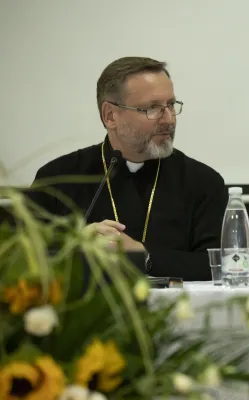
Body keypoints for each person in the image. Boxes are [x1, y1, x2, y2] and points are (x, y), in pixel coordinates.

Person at [27, 56, 227, 281]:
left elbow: (218, 264)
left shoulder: (203, 182)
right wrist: (74, 249)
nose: (169, 119)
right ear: (110, 116)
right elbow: (22, 261)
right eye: (152, 108)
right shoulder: (57, 179)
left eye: (171, 105)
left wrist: (143, 256)